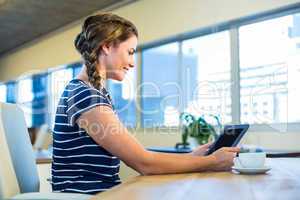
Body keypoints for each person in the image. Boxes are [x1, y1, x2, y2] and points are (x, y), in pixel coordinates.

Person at [51, 13, 239, 195]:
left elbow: (142, 157)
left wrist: (192, 157)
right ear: (107, 46)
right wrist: (212, 161)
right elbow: (144, 163)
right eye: (130, 52)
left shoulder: (92, 93)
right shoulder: (85, 95)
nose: (132, 63)